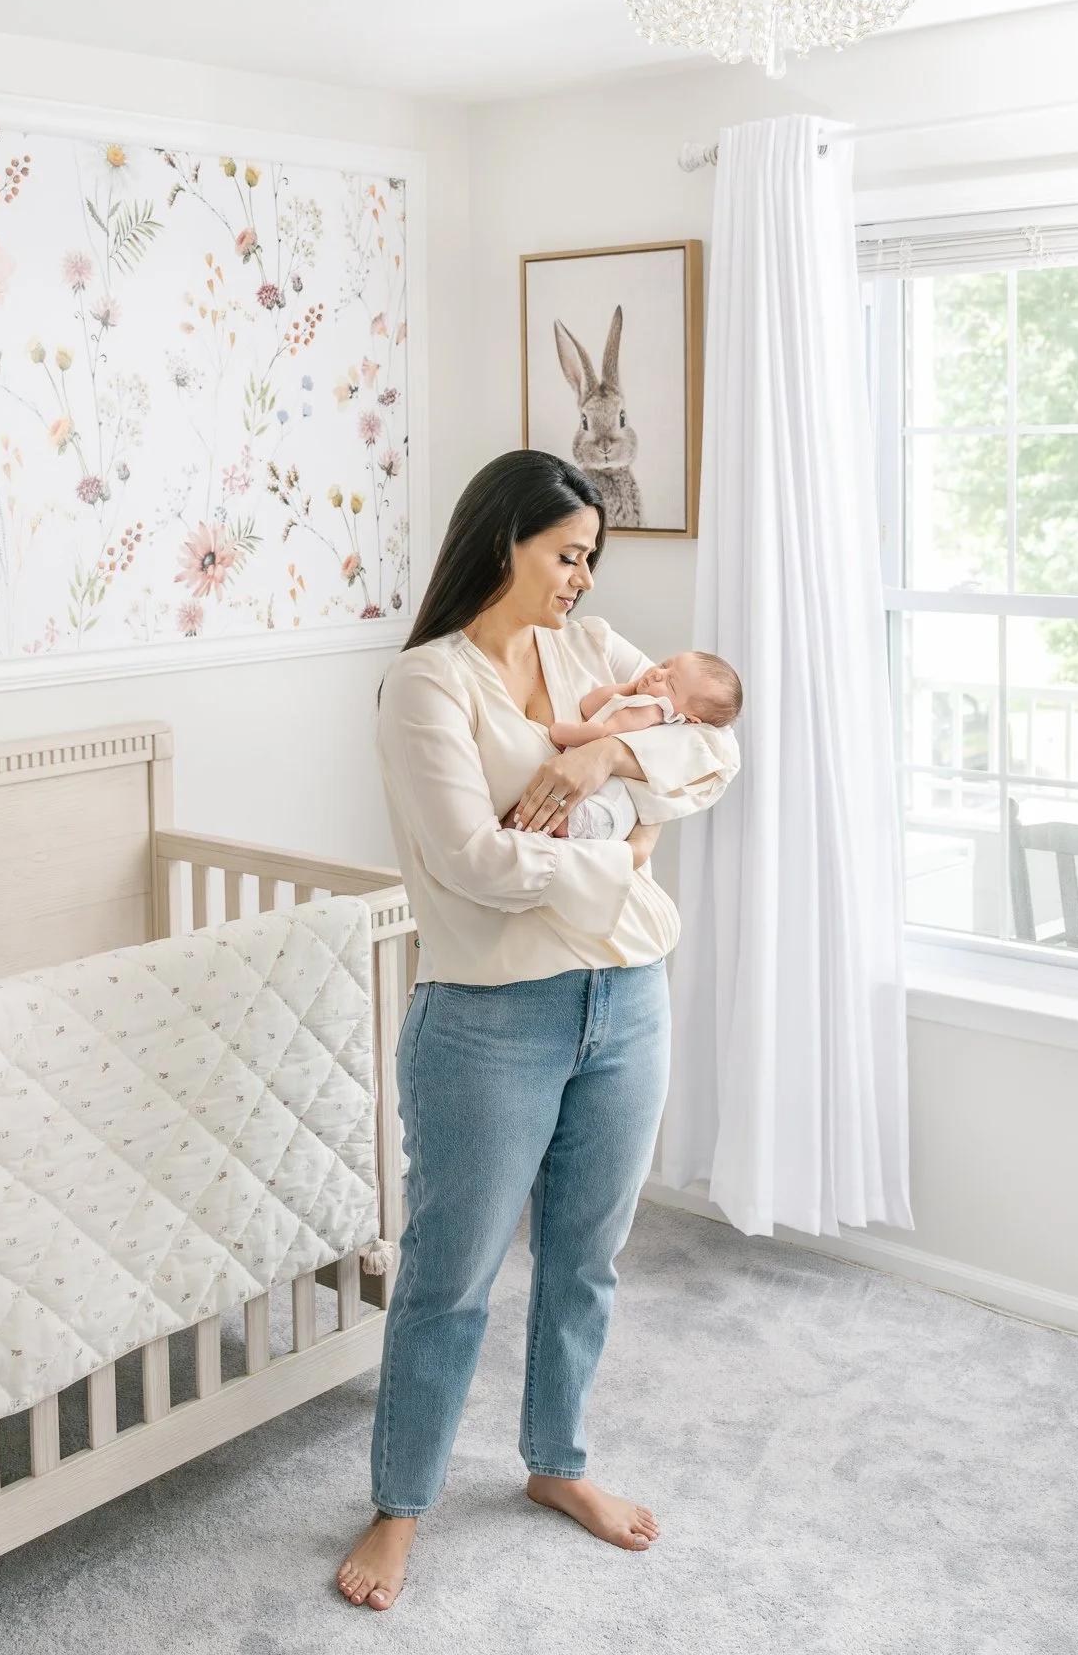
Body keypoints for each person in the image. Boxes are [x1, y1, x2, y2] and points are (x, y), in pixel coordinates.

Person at [337, 449, 740, 1611]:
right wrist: (621, 856)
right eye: (566, 553)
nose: (580, 577)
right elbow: (470, 862)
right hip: (489, 1019)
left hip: (627, 1000)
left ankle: (556, 1462)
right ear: (504, 537)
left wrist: (615, 753)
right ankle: (400, 1503)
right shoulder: (427, 683)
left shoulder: (592, 650)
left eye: (590, 559)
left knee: (587, 1259)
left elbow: (710, 748)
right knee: (450, 1276)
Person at [545, 650, 743, 842]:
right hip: (608, 812)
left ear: (691, 720)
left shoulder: (652, 711)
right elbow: (589, 705)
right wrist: (631, 687)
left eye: (670, 683)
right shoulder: (644, 702)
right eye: (665, 665)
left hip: (601, 810)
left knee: (544, 824)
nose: (658, 673)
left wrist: (559, 733)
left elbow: (602, 732)